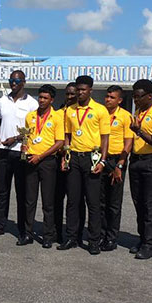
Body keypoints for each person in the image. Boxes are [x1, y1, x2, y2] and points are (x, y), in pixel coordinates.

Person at [58, 75, 109, 255]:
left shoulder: (100, 110)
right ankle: (72, 237)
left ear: (90, 91)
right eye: (78, 89)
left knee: (93, 202)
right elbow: (67, 135)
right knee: (73, 201)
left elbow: (105, 138)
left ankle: (94, 240)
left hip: (92, 158)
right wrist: (65, 156)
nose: (80, 93)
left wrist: (102, 160)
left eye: (83, 90)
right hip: (74, 158)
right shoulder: (69, 110)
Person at [0, 70, 38, 238]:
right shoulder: (2, 101)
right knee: (3, 192)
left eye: (17, 80)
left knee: (21, 192)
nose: (14, 83)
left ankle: (23, 230)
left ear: (24, 82)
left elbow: (33, 129)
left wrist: (16, 138)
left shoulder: (32, 103)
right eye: (11, 80)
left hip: (21, 152)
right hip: (3, 152)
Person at [20, 84, 64, 248]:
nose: (42, 100)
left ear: (52, 100)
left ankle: (47, 236)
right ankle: (28, 233)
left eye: (45, 98)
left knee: (48, 201)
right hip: (31, 160)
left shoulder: (57, 118)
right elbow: (26, 135)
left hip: (47, 162)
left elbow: (59, 142)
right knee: (29, 200)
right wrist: (24, 146)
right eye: (40, 97)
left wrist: (41, 156)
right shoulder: (30, 116)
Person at [128, 79, 152, 259]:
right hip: (136, 160)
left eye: (138, 96)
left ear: (149, 96)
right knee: (139, 202)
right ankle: (142, 238)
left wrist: (139, 131)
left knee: (150, 205)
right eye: (134, 96)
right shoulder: (139, 111)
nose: (135, 100)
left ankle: (149, 244)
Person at [99, 85, 133, 252]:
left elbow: (128, 142)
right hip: (101, 159)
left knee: (114, 203)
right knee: (100, 201)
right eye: (107, 96)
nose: (108, 100)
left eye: (112, 97)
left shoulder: (125, 116)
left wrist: (120, 164)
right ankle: (101, 234)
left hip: (116, 160)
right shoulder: (100, 114)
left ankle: (111, 238)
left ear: (119, 100)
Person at [54, 82, 83, 244]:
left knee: (76, 199)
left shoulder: (81, 112)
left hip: (76, 159)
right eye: (68, 94)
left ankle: (76, 234)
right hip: (58, 159)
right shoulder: (58, 113)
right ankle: (57, 233)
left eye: (74, 94)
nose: (71, 97)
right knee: (57, 198)